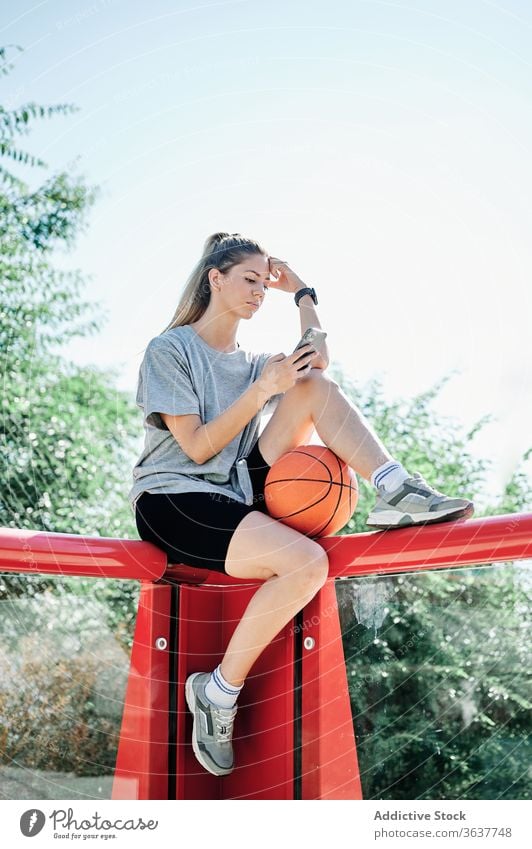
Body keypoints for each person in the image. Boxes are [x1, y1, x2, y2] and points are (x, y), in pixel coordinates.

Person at [129, 232, 474, 778]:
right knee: (308, 563)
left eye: (263, 284)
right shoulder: (170, 350)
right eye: (249, 279)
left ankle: (395, 488)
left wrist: (302, 293)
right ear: (214, 278)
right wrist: (262, 390)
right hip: (176, 496)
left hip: (235, 486)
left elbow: (318, 358)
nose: (257, 292)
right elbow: (196, 448)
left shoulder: (254, 361)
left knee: (313, 384)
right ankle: (218, 693)